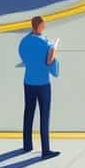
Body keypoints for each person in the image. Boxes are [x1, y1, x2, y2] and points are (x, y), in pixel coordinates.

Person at [19, 15, 60, 159]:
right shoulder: (46, 44)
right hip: (42, 84)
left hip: (28, 81)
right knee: (44, 116)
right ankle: (46, 149)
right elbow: (52, 68)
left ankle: (27, 144)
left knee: (28, 112)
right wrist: (53, 54)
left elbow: (24, 58)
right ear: (40, 26)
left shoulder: (23, 42)